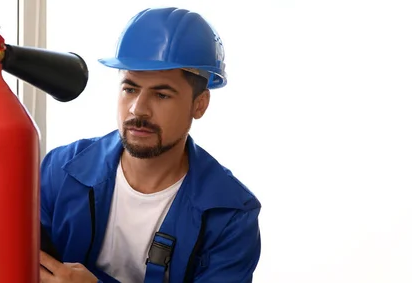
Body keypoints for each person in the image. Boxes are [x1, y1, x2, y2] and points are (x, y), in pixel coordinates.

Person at [38, 7, 262, 283]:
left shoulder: (231, 214)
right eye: (130, 89)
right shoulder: (60, 171)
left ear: (199, 104)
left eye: (161, 95)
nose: (138, 109)